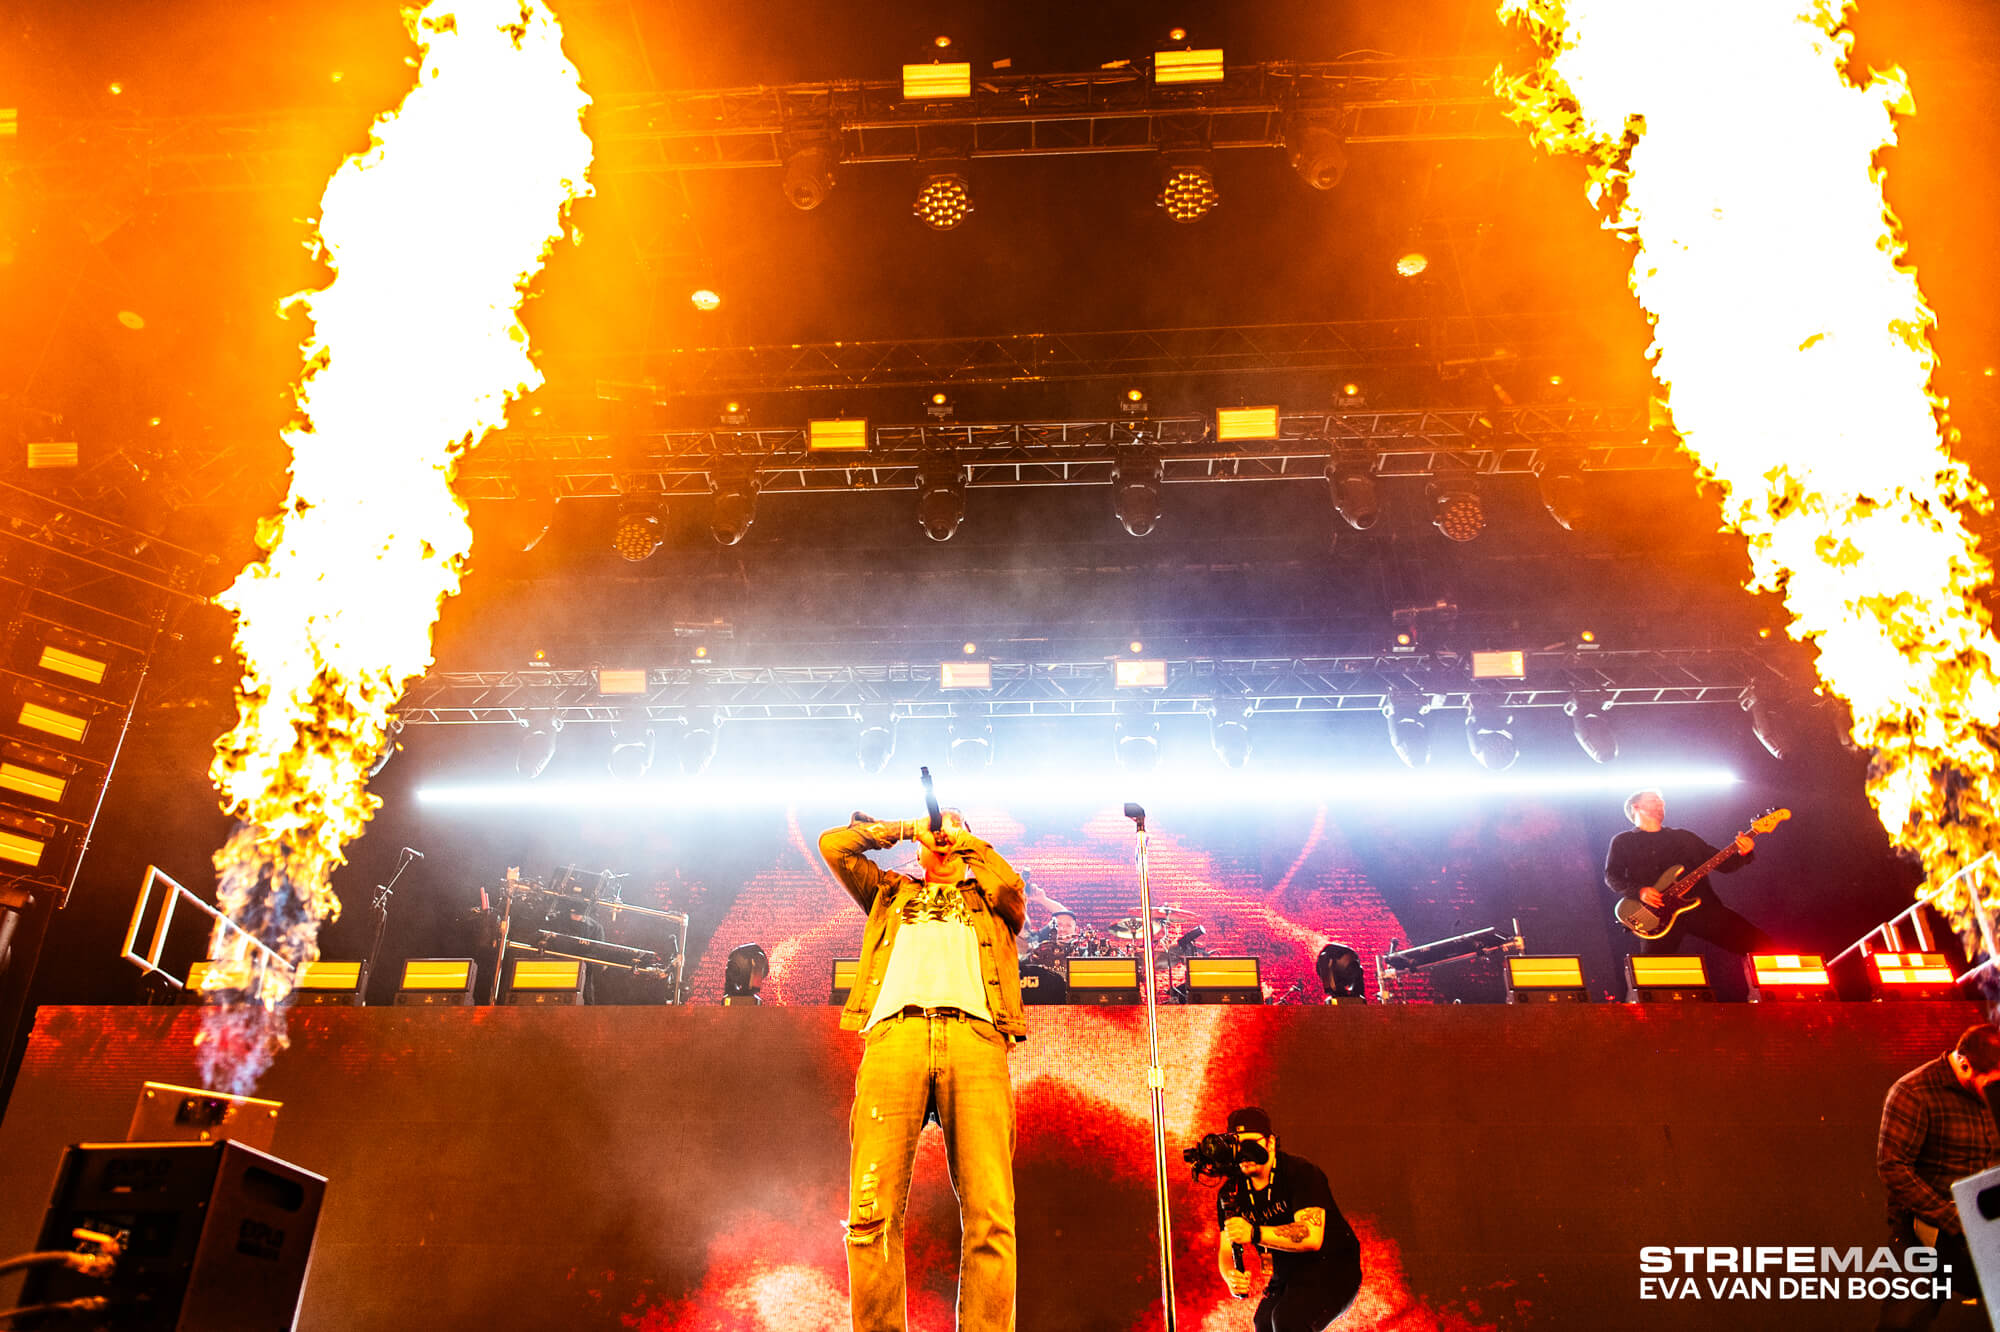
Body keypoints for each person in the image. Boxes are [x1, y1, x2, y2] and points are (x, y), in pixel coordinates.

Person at [819, 809, 1027, 1332]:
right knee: (871, 1212)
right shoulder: (890, 892)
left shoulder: (991, 900)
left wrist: (964, 841)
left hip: (975, 1037)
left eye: (954, 830)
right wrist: (907, 827)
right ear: (918, 848)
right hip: (896, 1034)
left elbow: (1011, 887)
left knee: (991, 1214)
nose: (943, 837)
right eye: (935, 833)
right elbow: (834, 846)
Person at [1876, 1024, 2000, 1330]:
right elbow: (1893, 1166)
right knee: (1903, 1322)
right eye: (1991, 1083)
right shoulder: (1913, 1092)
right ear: (1964, 1064)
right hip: (1923, 1233)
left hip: (1987, 1227)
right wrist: (1956, 1218)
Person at [1214, 1107, 1364, 1332]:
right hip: (1286, 1275)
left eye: (1251, 1144)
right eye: (1236, 1145)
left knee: (1288, 1319)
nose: (1244, 1153)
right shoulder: (1231, 1192)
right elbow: (1226, 1249)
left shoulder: (1301, 1173)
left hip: (1332, 1269)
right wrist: (1231, 1277)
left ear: (1270, 1143)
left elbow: (1311, 1236)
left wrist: (1254, 1233)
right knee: (1263, 1323)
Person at [1603, 789, 1770, 957]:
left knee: (1764, 948)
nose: (1661, 803)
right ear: (1636, 807)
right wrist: (1640, 891)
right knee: (1654, 969)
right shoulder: (1623, 841)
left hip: (1703, 908)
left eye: (1662, 800)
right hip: (1656, 916)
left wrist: (1744, 852)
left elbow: (1726, 865)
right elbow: (1612, 877)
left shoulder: (1684, 837)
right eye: (1654, 800)